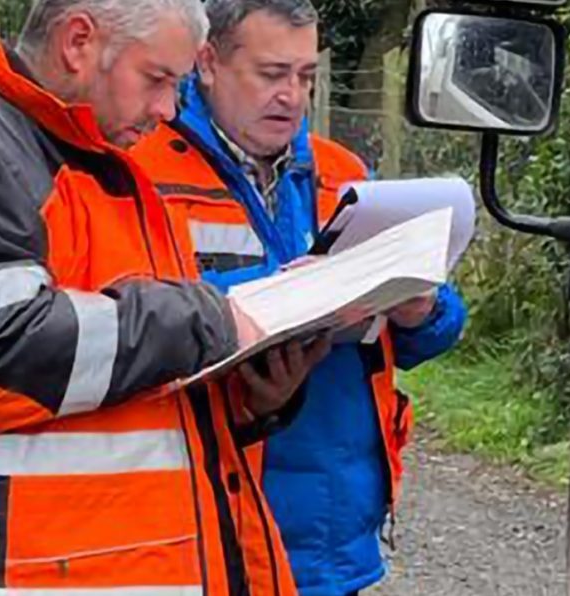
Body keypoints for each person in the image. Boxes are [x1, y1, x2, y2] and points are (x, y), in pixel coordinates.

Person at [0, 1, 314, 593]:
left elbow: (124, 380)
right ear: (78, 41)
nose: (168, 109)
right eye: (156, 79)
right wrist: (208, 318)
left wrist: (248, 403)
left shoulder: (91, 154)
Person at [132, 1, 468, 594]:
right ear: (207, 63)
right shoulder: (142, 171)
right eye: (271, 74)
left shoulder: (344, 175)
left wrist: (423, 308)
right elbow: (128, 326)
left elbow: (424, 338)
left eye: (306, 76)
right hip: (204, 531)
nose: (292, 95)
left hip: (335, 539)